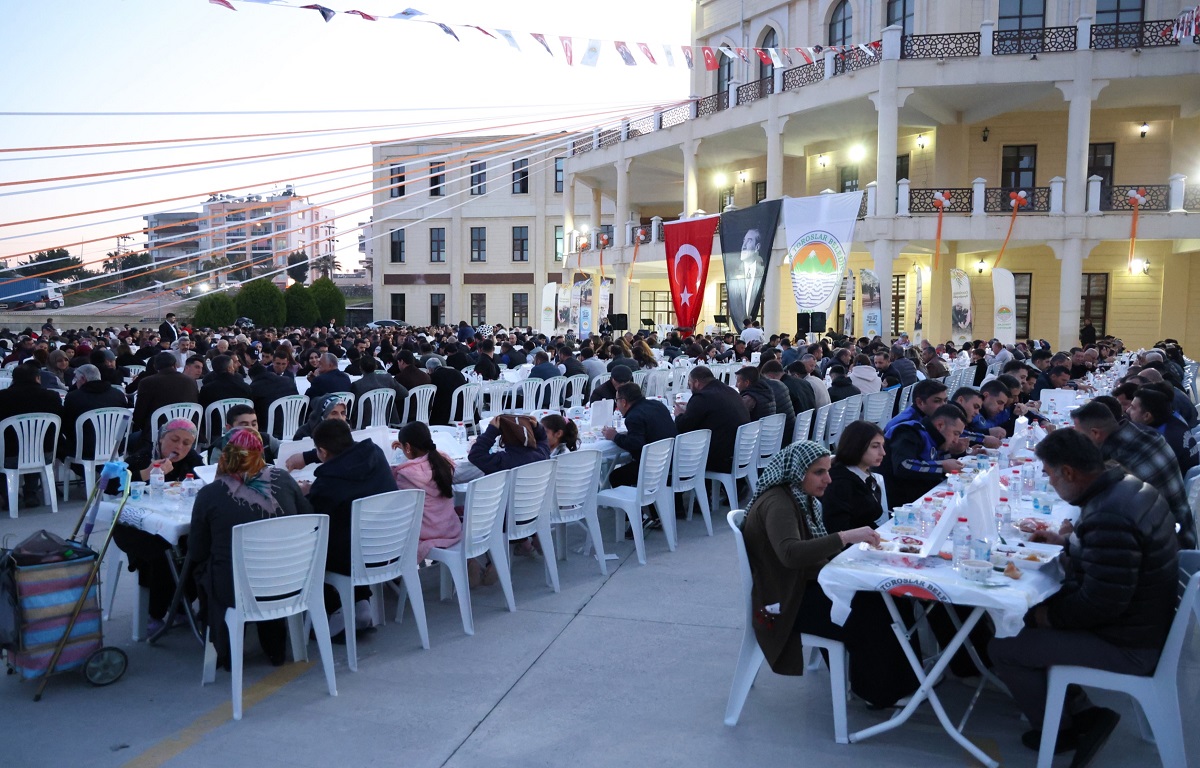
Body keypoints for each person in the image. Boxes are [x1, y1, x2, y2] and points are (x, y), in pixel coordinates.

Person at [989, 429, 1178, 765]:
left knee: (1005, 645)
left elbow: (1101, 604)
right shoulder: (1127, 487)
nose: (1051, 483)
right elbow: (1113, 565)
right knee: (1027, 617)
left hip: (1131, 644)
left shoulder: (1109, 516)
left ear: (1069, 472)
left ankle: (1058, 732)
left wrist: (1042, 616)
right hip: (1145, 621)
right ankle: (1080, 711)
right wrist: (1067, 544)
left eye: (1050, 475)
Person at [740, 441, 917, 708]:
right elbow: (790, 554)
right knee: (872, 612)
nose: (828, 479)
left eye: (828, 471)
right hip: (787, 602)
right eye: (819, 472)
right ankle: (878, 692)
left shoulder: (798, 496)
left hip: (801, 586)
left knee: (885, 598)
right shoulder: (779, 503)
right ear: (797, 471)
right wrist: (845, 537)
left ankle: (896, 681)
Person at [188, 427, 311, 669]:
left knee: (210, 568)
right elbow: (307, 518)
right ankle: (275, 647)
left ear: (225, 456)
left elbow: (197, 550)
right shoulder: (283, 479)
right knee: (264, 563)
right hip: (289, 581)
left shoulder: (211, 493)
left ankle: (225, 649)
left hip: (235, 590)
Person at [300, 418, 398, 641]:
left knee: (313, 550)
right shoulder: (375, 454)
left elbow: (314, 517)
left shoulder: (327, 483)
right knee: (349, 531)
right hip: (390, 544)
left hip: (354, 557)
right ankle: (360, 602)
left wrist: (307, 492)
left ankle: (336, 611)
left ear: (323, 452)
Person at [110, 419, 205, 634]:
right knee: (163, 554)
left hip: (174, 519)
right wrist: (148, 473)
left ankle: (181, 604)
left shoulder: (192, 459)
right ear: (161, 438)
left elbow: (204, 480)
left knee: (198, 548)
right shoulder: (144, 457)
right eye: (174, 440)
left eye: (186, 443)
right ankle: (155, 613)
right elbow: (110, 485)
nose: (179, 447)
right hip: (135, 524)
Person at [1071, 401, 1195, 548]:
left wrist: (1071, 537)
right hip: (1183, 530)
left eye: (1079, 436)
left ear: (1095, 433)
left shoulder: (1118, 462)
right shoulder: (1146, 434)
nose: (1077, 442)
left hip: (1169, 546)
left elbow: (1102, 518)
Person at [392, 421, 464, 561]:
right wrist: (405, 448)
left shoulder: (406, 475)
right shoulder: (442, 462)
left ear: (408, 447)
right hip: (450, 527)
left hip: (428, 533)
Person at [879, 404, 966, 507]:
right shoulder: (909, 431)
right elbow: (903, 465)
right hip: (898, 503)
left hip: (917, 497)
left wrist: (957, 453)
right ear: (940, 425)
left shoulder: (935, 438)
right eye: (955, 433)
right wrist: (942, 466)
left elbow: (934, 461)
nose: (956, 440)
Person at [674, 365, 751, 473]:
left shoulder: (701, 397)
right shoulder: (730, 391)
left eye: (689, 384)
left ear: (696, 382)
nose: (690, 387)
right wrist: (691, 408)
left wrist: (678, 415)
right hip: (741, 452)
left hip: (720, 458)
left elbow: (683, 427)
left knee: (677, 452)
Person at [604, 382, 677, 490]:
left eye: (617, 400)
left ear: (623, 402)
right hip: (673, 460)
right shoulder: (657, 405)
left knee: (616, 476)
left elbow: (635, 444)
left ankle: (633, 500)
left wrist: (614, 436)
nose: (617, 404)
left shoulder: (634, 416)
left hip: (655, 468)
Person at [821, 420, 887, 533]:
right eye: (875, 446)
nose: (883, 452)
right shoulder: (840, 483)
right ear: (856, 446)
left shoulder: (863, 475)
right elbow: (838, 530)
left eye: (882, 446)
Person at [61, 364, 130, 461]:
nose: (75, 383)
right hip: (115, 447)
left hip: (84, 450)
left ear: (83, 379)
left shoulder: (73, 397)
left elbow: (67, 427)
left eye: (76, 379)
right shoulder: (118, 395)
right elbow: (124, 424)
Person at [130, 351, 200, 443]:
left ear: (155, 367)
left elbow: (138, 416)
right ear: (175, 365)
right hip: (187, 431)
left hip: (155, 434)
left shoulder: (147, 382)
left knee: (126, 442)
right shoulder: (191, 381)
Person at [284, 394, 348, 470]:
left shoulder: (346, 432)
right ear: (323, 416)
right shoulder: (304, 433)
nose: (340, 418)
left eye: (342, 413)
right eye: (334, 413)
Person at [350, 356, 407, 426]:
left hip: (363, 424)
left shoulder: (357, 385)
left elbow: (351, 409)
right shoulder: (388, 379)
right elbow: (404, 393)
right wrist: (386, 399)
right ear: (376, 367)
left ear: (360, 368)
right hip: (386, 421)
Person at [884, 379, 949, 432]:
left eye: (945, 400)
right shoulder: (906, 426)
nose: (944, 405)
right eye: (937, 401)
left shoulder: (928, 416)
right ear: (920, 402)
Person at [426, 357, 467, 425]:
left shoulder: (433, 377)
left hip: (446, 413)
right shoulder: (456, 372)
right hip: (465, 408)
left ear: (430, 369)